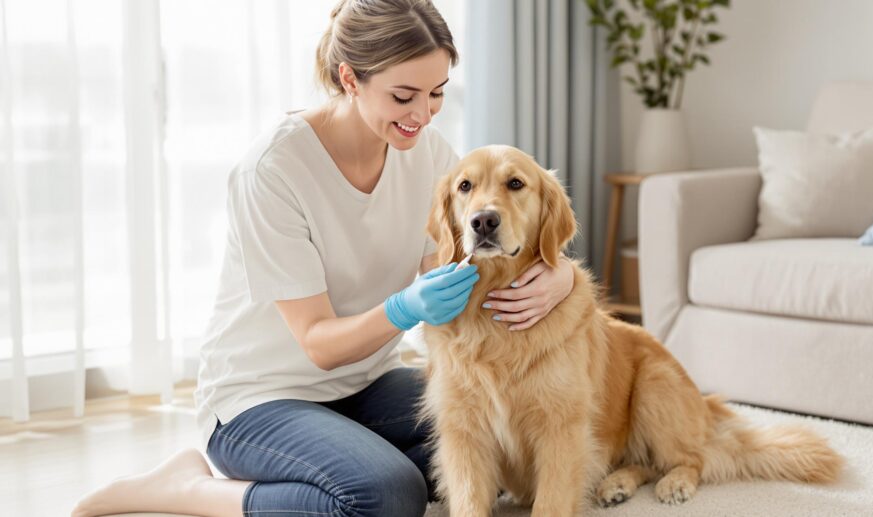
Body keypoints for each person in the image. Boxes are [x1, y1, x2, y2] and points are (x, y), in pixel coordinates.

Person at [72, 1, 574, 516]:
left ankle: (342, 454)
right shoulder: (274, 171)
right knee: (386, 495)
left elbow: (456, 276)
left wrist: (562, 278)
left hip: (367, 383)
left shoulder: (429, 153)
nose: (422, 115)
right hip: (261, 400)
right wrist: (403, 309)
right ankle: (186, 490)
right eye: (404, 96)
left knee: (489, 444)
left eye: (437, 93)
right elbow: (318, 345)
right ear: (350, 78)